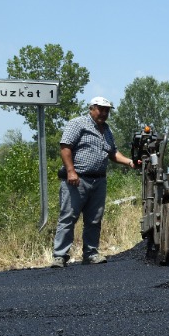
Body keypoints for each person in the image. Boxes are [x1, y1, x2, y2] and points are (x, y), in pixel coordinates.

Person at [51, 96, 137, 266]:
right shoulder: (78, 124)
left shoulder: (106, 130)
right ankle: (60, 256)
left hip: (98, 181)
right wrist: (71, 171)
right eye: (101, 109)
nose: (104, 113)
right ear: (91, 108)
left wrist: (129, 162)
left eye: (107, 110)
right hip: (77, 179)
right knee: (68, 217)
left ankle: (91, 254)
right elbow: (65, 146)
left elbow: (112, 153)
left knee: (94, 219)